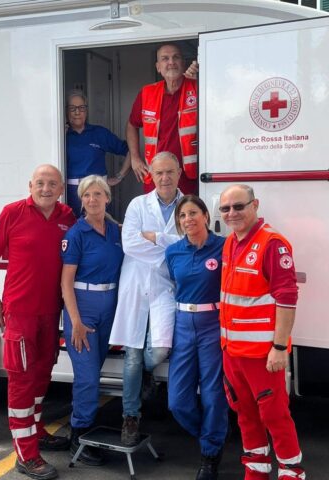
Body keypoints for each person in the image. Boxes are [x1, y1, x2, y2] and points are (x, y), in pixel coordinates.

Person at [0, 164, 75, 480]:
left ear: (61, 188)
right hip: (20, 314)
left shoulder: (66, 216)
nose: (46, 188)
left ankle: (34, 432)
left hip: (51, 312)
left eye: (52, 183)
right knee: (22, 382)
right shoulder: (13, 212)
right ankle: (26, 455)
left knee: (41, 374)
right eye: (40, 183)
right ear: (30, 185)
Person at [218, 185, 305, 480]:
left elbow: (287, 298)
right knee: (245, 415)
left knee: (275, 416)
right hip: (233, 353)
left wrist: (279, 348)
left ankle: (292, 473)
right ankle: (256, 471)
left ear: (255, 205)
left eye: (239, 207)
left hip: (262, 355)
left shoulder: (272, 244)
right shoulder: (230, 243)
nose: (232, 214)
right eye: (226, 209)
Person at [108, 151, 183, 446]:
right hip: (136, 286)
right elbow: (130, 244)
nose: (164, 178)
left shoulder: (188, 205)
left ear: (179, 172)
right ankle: (130, 417)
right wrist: (170, 249)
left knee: (159, 351)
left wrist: (157, 238)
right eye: (159, 172)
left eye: (170, 172)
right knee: (132, 355)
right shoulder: (138, 205)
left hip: (166, 287)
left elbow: (191, 242)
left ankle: (147, 376)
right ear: (151, 174)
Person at [60, 175, 124, 466]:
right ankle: (80, 433)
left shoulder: (116, 231)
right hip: (83, 309)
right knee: (87, 376)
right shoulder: (76, 233)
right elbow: (66, 282)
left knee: (94, 371)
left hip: (109, 308)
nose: (92, 199)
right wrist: (75, 321)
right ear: (81, 200)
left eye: (98, 194)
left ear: (107, 198)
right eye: (87, 195)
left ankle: (83, 422)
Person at [165, 195, 228, 480]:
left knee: (213, 393)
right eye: (182, 216)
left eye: (193, 213)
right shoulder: (174, 252)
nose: (187, 219)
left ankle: (210, 455)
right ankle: (210, 433)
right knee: (177, 400)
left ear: (205, 215)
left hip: (212, 324)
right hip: (182, 324)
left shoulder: (224, 247)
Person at [127, 43, 199, 196]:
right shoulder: (147, 93)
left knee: (186, 218)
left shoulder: (198, 88)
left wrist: (201, 77)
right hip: (156, 174)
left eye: (176, 57)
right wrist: (135, 158)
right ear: (158, 67)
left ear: (183, 63)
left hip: (188, 176)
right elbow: (132, 124)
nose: (171, 62)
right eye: (165, 59)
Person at [66, 90, 131, 216]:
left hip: (98, 191)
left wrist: (119, 176)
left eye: (81, 108)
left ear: (87, 110)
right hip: (72, 193)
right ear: (66, 111)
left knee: (100, 228)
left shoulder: (99, 133)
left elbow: (130, 150)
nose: (77, 112)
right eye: (72, 108)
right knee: (75, 229)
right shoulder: (62, 136)